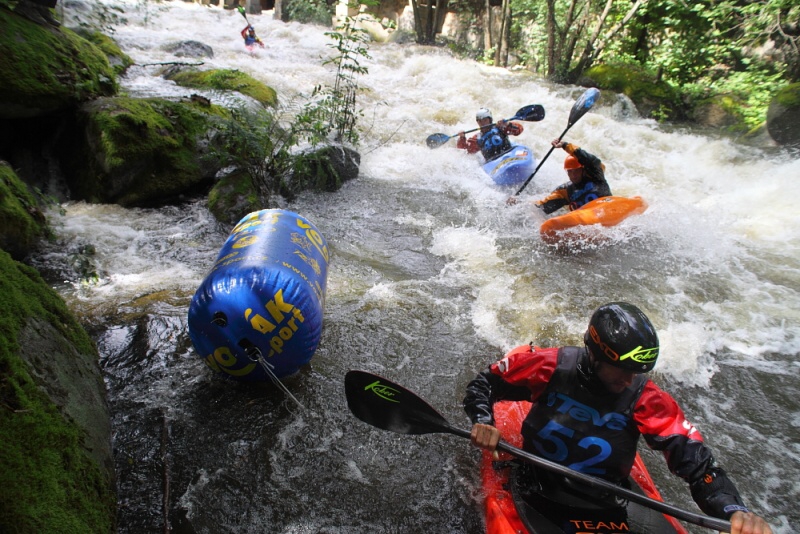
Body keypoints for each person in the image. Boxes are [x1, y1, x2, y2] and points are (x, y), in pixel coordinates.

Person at [464, 302, 773, 534]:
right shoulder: (549, 366)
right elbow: (485, 384)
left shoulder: (648, 399)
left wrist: (734, 510)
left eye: (637, 372)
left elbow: (698, 465)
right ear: (595, 355)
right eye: (623, 371)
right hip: (536, 485)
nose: (630, 380)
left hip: (606, 498)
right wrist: (484, 421)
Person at [506, 138, 611, 208]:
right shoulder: (566, 191)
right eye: (570, 172)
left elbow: (588, 158)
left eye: (576, 171)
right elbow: (543, 205)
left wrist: (565, 145)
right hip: (587, 219)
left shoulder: (595, 174)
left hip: (608, 208)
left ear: (582, 169)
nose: (573, 175)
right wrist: (519, 203)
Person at [457, 108, 523, 162]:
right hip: (493, 163)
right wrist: (462, 138)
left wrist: (507, 124)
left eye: (485, 120)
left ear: (490, 120)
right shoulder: (477, 138)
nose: (482, 123)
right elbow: (465, 150)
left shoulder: (500, 128)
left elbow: (519, 130)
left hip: (509, 154)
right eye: (480, 121)